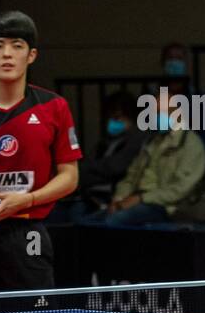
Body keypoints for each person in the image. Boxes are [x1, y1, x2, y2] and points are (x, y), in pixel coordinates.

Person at [0, 11, 80, 289]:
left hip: (26, 234)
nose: (7, 54)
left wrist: (27, 200)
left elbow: (69, 176)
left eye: (17, 46)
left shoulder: (54, 107)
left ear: (31, 55)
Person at [105, 101, 205, 226]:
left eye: (162, 112)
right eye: (154, 112)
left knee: (114, 222)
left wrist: (142, 198)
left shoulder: (191, 145)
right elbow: (131, 177)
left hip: (163, 206)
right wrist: (119, 199)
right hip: (134, 199)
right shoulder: (152, 141)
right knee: (89, 221)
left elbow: (180, 189)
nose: (156, 116)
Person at [56, 91, 146, 220]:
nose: (113, 122)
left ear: (130, 117)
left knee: (78, 215)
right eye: (110, 117)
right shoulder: (105, 141)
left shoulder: (137, 139)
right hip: (88, 194)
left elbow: (116, 167)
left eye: (118, 117)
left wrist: (92, 169)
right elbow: (85, 167)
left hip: (111, 195)